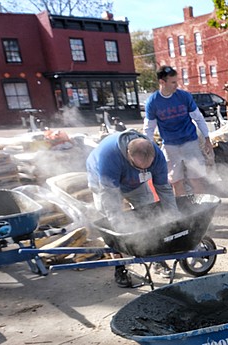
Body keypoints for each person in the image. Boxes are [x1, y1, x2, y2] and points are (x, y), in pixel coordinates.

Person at [86, 130, 177, 287]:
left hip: (136, 185)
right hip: (104, 184)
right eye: (139, 167)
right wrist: (119, 230)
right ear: (128, 155)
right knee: (111, 226)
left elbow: (164, 190)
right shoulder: (109, 156)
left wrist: (175, 218)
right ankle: (120, 267)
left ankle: (156, 259)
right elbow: (110, 199)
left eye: (146, 169)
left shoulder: (157, 156)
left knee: (149, 214)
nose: (143, 171)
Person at [144, 66, 214, 196]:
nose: (177, 85)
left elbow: (199, 118)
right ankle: (183, 210)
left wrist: (207, 139)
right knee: (176, 181)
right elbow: (149, 128)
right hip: (170, 145)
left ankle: (202, 206)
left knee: (196, 179)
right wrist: (149, 148)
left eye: (177, 81)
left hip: (190, 142)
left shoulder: (184, 97)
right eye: (173, 82)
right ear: (162, 82)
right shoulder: (153, 102)